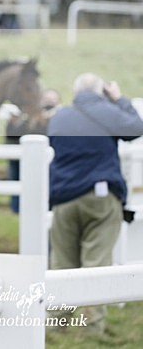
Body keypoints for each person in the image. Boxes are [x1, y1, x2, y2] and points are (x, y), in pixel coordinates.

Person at [47, 73, 143, 334]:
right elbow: (136, 128)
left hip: (64, 198)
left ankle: (56, 325)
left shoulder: (61, 116)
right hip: (101, 197)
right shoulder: (107, 112)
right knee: (96, 264)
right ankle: (91, 327)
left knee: (61, 264)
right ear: (102, 92)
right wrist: (119, 99)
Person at [4, 88, 60, 213]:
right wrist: (13, 123)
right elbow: (14, 134)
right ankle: (17, 209)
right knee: (16, 178)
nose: (48, 104)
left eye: (51, 100)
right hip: (21, 154)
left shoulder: (56, 118)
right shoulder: (28, 116)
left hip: (47, 156)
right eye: (46, 100)